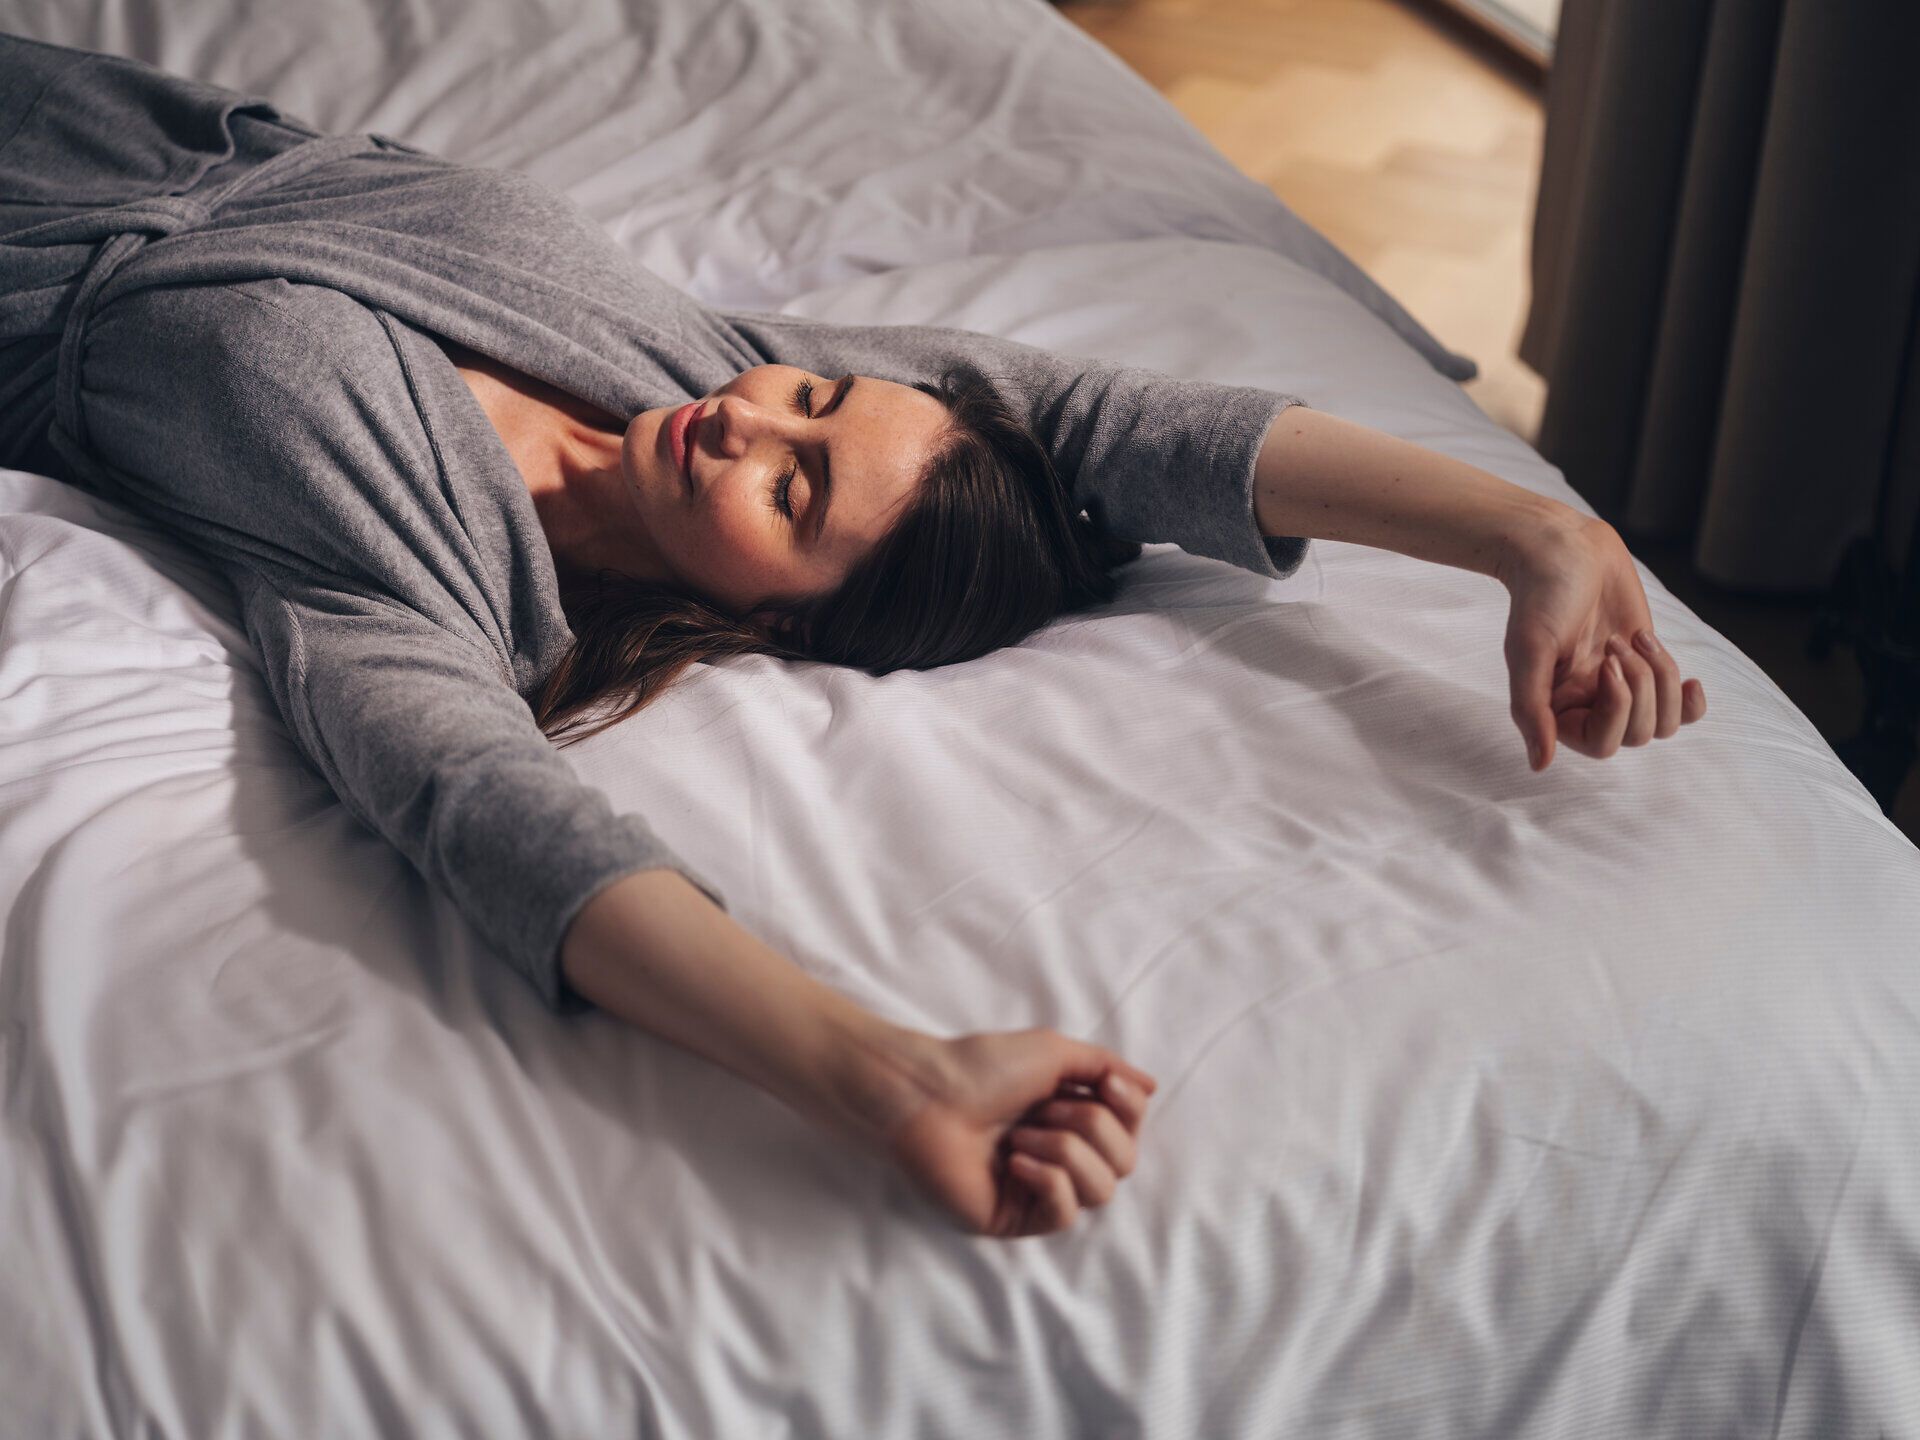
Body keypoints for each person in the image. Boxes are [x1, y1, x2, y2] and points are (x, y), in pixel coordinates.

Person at [0, 35, 1704, 1241]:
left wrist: (885, 1076)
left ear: (764, 617)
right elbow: (1099, 415)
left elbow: (489, 814)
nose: (747, 429)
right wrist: (1534, 531)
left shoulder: (418, 589)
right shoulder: (691, 350)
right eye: (809, 398)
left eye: (796, 499)